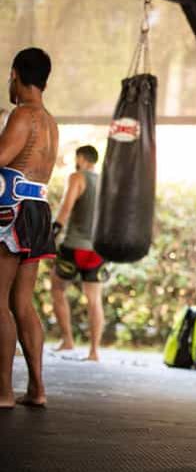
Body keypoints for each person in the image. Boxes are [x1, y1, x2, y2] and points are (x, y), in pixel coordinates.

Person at [0, 47, 58, 408]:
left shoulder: (23, 114)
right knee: (22, 303)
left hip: (12, 214)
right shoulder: (50, 120)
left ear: (16, 75)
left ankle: (3, 392)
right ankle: (37, 389)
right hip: (37, 211)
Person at [51, 144, 108, 361]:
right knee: (94, 298)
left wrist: (52, 233)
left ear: (81, 158)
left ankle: (67, 340)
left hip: (74, 247)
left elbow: (65, 209)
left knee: (57, 288)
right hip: (98, 250)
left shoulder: (77, 177)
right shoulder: (105, 181)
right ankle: (94, 351)